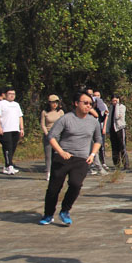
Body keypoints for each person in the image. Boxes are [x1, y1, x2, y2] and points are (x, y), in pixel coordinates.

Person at [39, 91, 103, 225]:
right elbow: (51, 136)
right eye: (85, 103)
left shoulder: (93, 122)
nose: (88, 106)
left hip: (82, 159)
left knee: (75, 184)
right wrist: (61, 152)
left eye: (90, 104)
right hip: (63, 157)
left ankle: (65, 211)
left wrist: (92, 154)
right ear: (76, 103)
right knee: (53, 188)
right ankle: (48, 214)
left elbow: (98, 140)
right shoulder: (66, 118)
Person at [0, 87, 24, 175]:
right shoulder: (1, 104)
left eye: (13, 94)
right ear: (5, 95)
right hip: (5, 129)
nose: (12, 96)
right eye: (10, 94)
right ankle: (9, 166)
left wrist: (22, 128)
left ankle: (7, 165)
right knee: (7, 148)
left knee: (12, 147)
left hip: (15, 129)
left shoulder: (16, 105)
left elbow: (20, 117)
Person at [40, 95, 64, 180]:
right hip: (48, 134)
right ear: (49, 103)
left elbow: (63, 123)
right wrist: (46, 133)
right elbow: (43, 124)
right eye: (53, 102)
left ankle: (57, 171)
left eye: (56, 102)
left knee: (57, 154)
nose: (55, 104)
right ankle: (48, 172)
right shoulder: (44, 112)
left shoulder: (60, 112)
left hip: (58, 134)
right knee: (48, 155)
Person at [108, 94, 129, 169]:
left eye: (115, 100)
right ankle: (116, 164)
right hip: (112, 129)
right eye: (113, 100)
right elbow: (109, 118)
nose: (114, 102)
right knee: (114, 147)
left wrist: (117, 105)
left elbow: (117, 116)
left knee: (122, 146)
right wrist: (108, 129)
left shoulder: (122, 107)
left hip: (120, 128)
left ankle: (125, 164)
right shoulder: (110, 107)